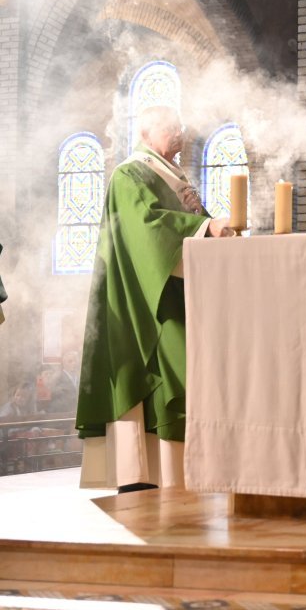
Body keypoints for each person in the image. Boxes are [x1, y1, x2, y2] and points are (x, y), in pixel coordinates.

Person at [76, 105, 235, 492]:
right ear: (146, 133)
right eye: (170, 127)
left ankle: (184, 475)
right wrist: (205, 227)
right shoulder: (129, 174)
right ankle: (151, 473)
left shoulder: (176, 178)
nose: (179, 133)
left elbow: (198, 227)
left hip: (178, 292)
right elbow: (147, 228)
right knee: (169, 377)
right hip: (147, 299)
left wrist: (218, 232)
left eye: (180, 126)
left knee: (187, 379)